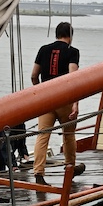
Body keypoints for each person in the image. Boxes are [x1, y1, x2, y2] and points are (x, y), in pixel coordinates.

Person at [30, 22, 84, 185]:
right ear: (70, 36)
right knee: (68, 135)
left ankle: (39, 173)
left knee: (42, 135)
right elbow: (73, 78)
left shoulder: (43, 49)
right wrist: (75, 104)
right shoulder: (72, 52)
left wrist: (40, 90)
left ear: (56, 34)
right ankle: (70, 168)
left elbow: (34, 75)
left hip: (46, 99)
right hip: (64, 99)